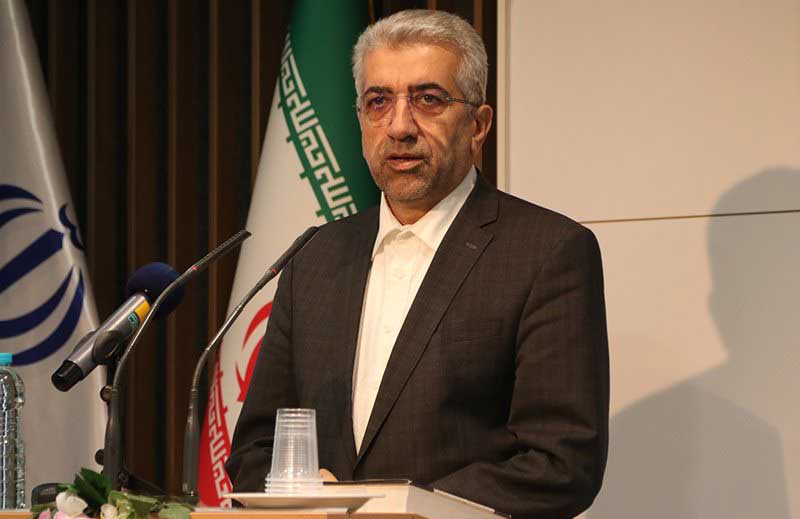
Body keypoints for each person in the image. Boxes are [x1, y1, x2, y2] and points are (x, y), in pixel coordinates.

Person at [226, 9, 609, 518]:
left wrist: (397, 508)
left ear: (478, 125)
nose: (400, 126)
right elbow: (255, 449)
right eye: (378, 102)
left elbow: (561, 462)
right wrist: (302, 489)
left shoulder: (547, 252)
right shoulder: (314, 255)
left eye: (428, 99)